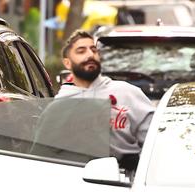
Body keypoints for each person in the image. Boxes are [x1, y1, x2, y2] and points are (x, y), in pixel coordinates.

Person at [55, 30, 155, 171]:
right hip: (77, 180)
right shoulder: (60, 105)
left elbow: (154, 144)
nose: (90, 55)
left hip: (125, 179)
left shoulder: (127, 93)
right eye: (81, 51)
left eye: (93, 50)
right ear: (67, 63)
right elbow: (43, 152)